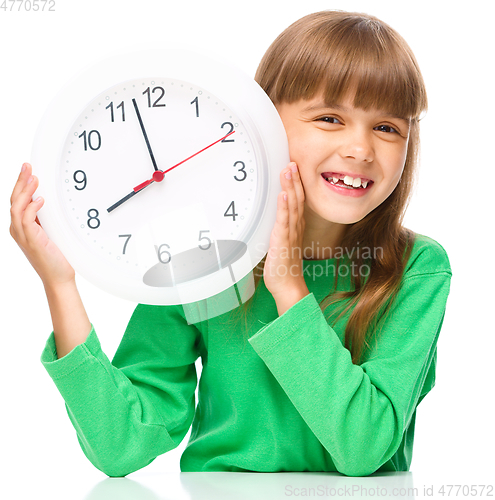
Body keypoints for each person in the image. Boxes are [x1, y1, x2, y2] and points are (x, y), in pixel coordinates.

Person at [9, 10, 452, 477]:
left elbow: (365, 446)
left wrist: (289, 289)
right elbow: (121, 446)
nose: (361, 149)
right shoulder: (201, 260)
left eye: (387, 127)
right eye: (329, 118)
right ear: (265, 122)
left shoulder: (416, 270)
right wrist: (59, 285)